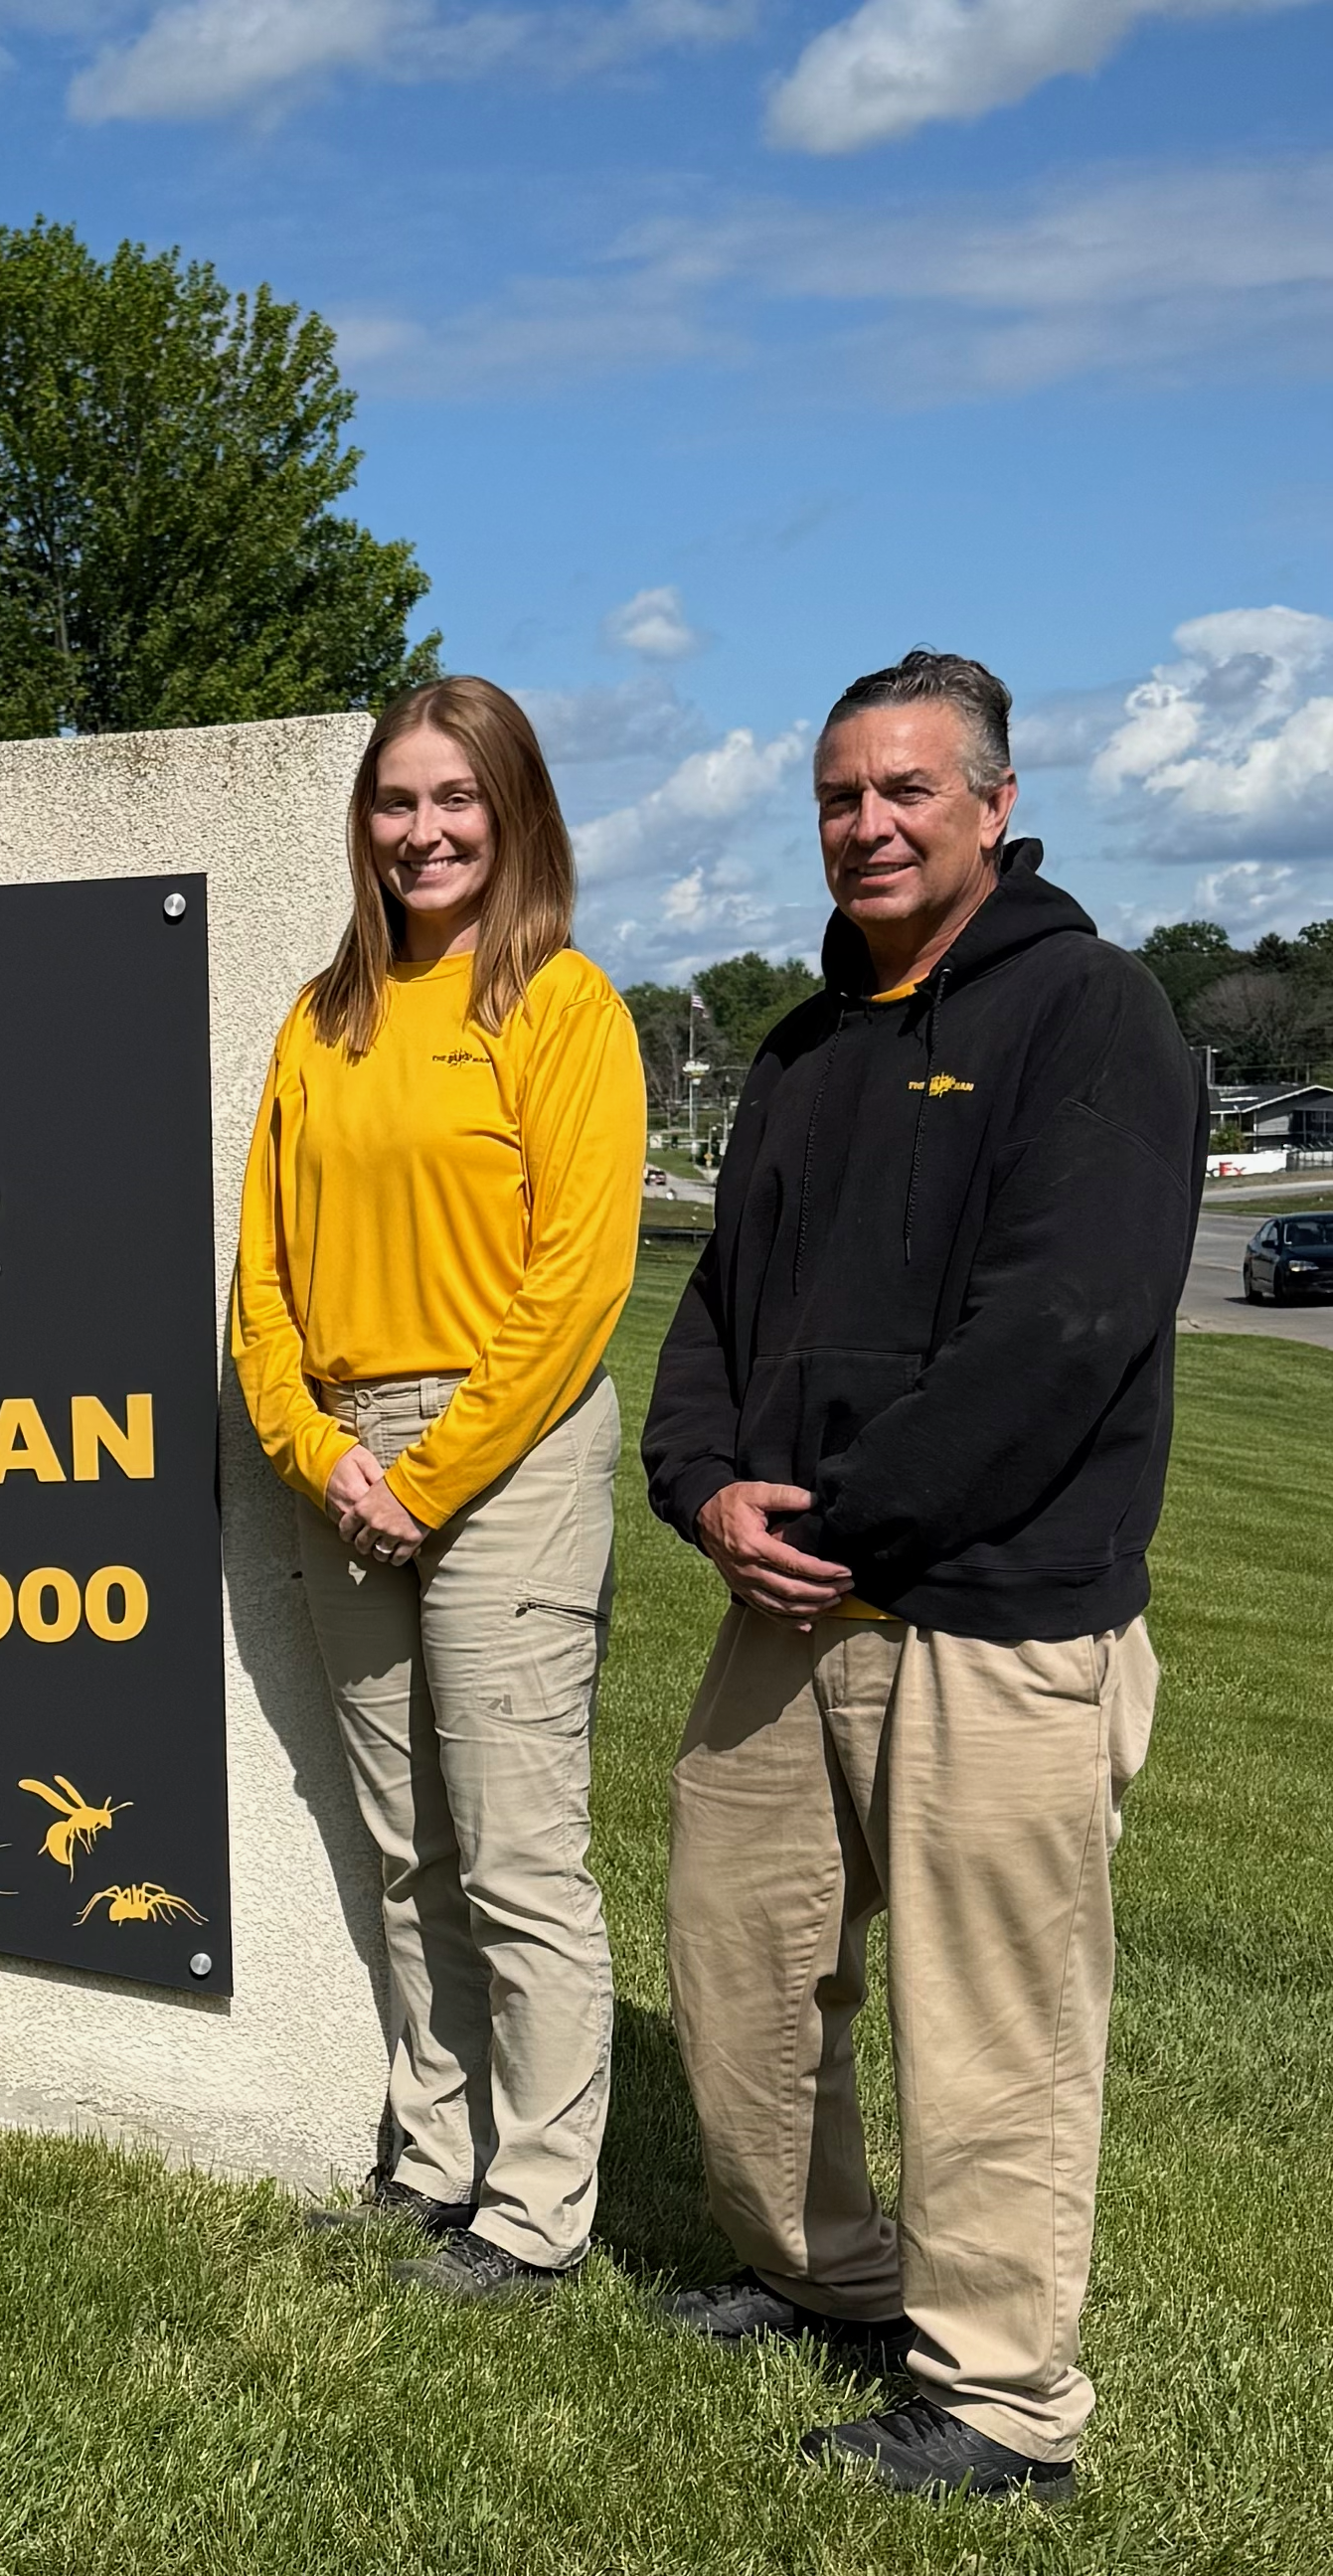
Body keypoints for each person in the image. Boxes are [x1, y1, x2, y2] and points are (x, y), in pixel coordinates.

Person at [643, 651, 1194, 2506]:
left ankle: (1004, 2400)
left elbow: (1067, 1331)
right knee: (739, 1965)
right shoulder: (800, 1055)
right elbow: (717, 1316)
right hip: (786, 1611)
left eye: (906, 793)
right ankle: (828, 2281)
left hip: (997, 1619)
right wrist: (706, 1490)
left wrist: (845, 1525)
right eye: (836, 797)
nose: (866, 826)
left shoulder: (1092, 1016)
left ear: (995, 805)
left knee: (995, 2032)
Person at [233, 675, 644, 2305]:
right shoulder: (322, 1016)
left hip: (510, 1448)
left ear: (515, 813)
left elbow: (579, 1275)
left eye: (456, 801)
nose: (424, 832)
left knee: (517, 1852)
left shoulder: (561, 1007)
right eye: (397, 803)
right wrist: (321, 1451)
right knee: (406, 1848)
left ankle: (538, 2217)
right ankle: (435, 2164)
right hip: (344, 1455)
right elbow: (258, 1280)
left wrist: (435, 1469)